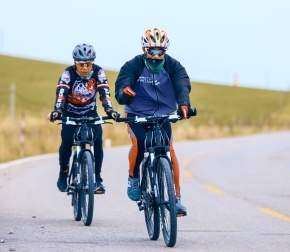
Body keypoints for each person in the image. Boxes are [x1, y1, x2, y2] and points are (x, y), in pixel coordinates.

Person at [114, 27, 191, 216]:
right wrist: (125, 93)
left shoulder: (173, 66)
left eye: (161, 52)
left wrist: (184, 104)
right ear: (144, 50)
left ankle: (176, 198)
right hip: (137, 113)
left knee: (170, 149)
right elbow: (123, 83)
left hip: (163, 114)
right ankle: (133, 177)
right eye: (152, 51)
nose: (156, 56)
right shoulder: (133, 65)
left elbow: (182, 84)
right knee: (139, 144)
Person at [48, 43, 118, 194]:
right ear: (75, 62)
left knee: (98, 141)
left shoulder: (98, 72)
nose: (85, 67)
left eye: (88, 64)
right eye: (81, 64)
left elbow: (104, 92)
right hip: (70, 113)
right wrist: (57, 111)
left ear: (93, 62)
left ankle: (97, 179)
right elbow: (61, 93)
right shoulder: (68, 73)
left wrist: (109, 110)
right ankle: (63, 172)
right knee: (67, 141)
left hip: (90, 113)